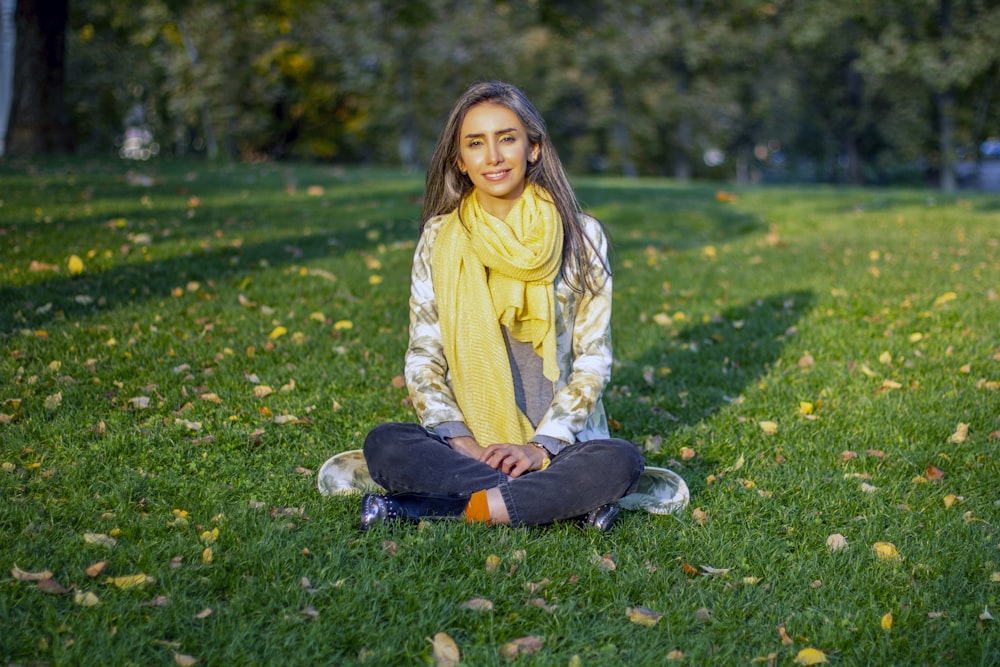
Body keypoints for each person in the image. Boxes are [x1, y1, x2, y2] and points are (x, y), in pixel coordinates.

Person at [361, 81, 643, 532]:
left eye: (506, 138)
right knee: (386, 444)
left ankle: (435, 508)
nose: (492, 156)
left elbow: (593, 359)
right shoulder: (439, 238)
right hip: (468, 443)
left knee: (620, 460)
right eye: (476, 143)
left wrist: (540, 447)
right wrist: (464, 442)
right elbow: (423, 355)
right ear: (460, 160)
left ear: (533, 148)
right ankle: (551, 503)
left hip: (558, 447)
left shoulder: (582, 234)